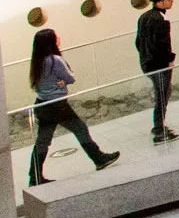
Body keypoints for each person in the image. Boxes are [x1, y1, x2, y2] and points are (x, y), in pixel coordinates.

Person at [26, 29, 120, 186]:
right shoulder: (55, 60)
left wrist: (60, 81)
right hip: (57, 105)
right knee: (80, 129)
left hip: (42, 105)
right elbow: (70, 77)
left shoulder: (37, 61)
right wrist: (62, 82)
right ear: (51, 42)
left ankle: (34, 176)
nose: (59, 38)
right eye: (56, 37)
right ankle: (98, 158)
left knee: (42, 142)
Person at [134, 0, 179, 143]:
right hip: (159, 65)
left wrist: (145, 58)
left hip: (147, 64)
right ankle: (159, 130)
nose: (171, 1)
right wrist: (169, 59)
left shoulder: (144, 17)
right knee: (162, 93)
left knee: (164, 91)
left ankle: (159, 125)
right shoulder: (161, 20)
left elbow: (138, 42)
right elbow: (161, 44)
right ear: (160, 2)